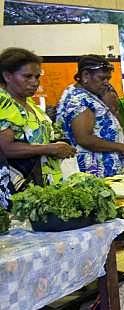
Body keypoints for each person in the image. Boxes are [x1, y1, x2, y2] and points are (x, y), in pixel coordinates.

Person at [0, 49, 76, 204]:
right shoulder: (4, 102)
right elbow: (6, 148)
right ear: (7, 76)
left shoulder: (27, 102)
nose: (35, 82)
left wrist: (60, 146)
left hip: (43, 186)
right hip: (22, 190)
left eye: (37, 76)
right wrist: (50, 148)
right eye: (27, 76)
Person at [55, 56, 124, 177]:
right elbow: (84, 139)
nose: (106, 83)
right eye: (102, 78)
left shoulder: (91, 94)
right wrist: (122, 147)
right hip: (94, 169)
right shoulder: (78, 99)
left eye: (108, 78)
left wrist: (112, 108)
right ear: (86, 75)